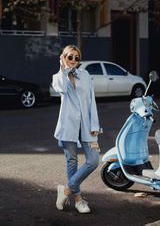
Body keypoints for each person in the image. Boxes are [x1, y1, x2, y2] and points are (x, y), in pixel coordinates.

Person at [52, 44, 101, 214]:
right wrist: (63, 69)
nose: (73, 60)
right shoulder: (58, 77)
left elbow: (91, 101)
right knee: (71, 161)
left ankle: (66, 190)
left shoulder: (86, 75)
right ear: (63, 57)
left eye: (76, 58)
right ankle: (78, 200)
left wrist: (95, 125)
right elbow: (61, 88)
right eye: (69, 57)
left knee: (94, 160)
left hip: (87, 125)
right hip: (68, 126)